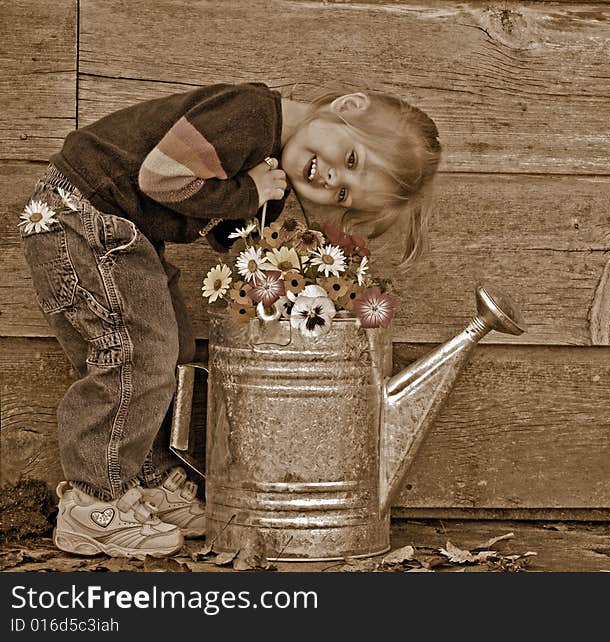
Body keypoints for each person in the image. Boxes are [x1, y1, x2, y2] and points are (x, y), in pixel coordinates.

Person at [18, 82, 442, 558]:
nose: (330, 181)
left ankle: (146, 480)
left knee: (173, 349)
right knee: (135, 358)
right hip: (82, 216)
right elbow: (160, 178)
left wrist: (273, 243)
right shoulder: (251, 115)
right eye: (350, 159)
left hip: (121, 231)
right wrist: (248, 191)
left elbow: (220, 225)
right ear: (346, 107)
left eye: (344, 191)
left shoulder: (273, 166)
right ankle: (94, 501)